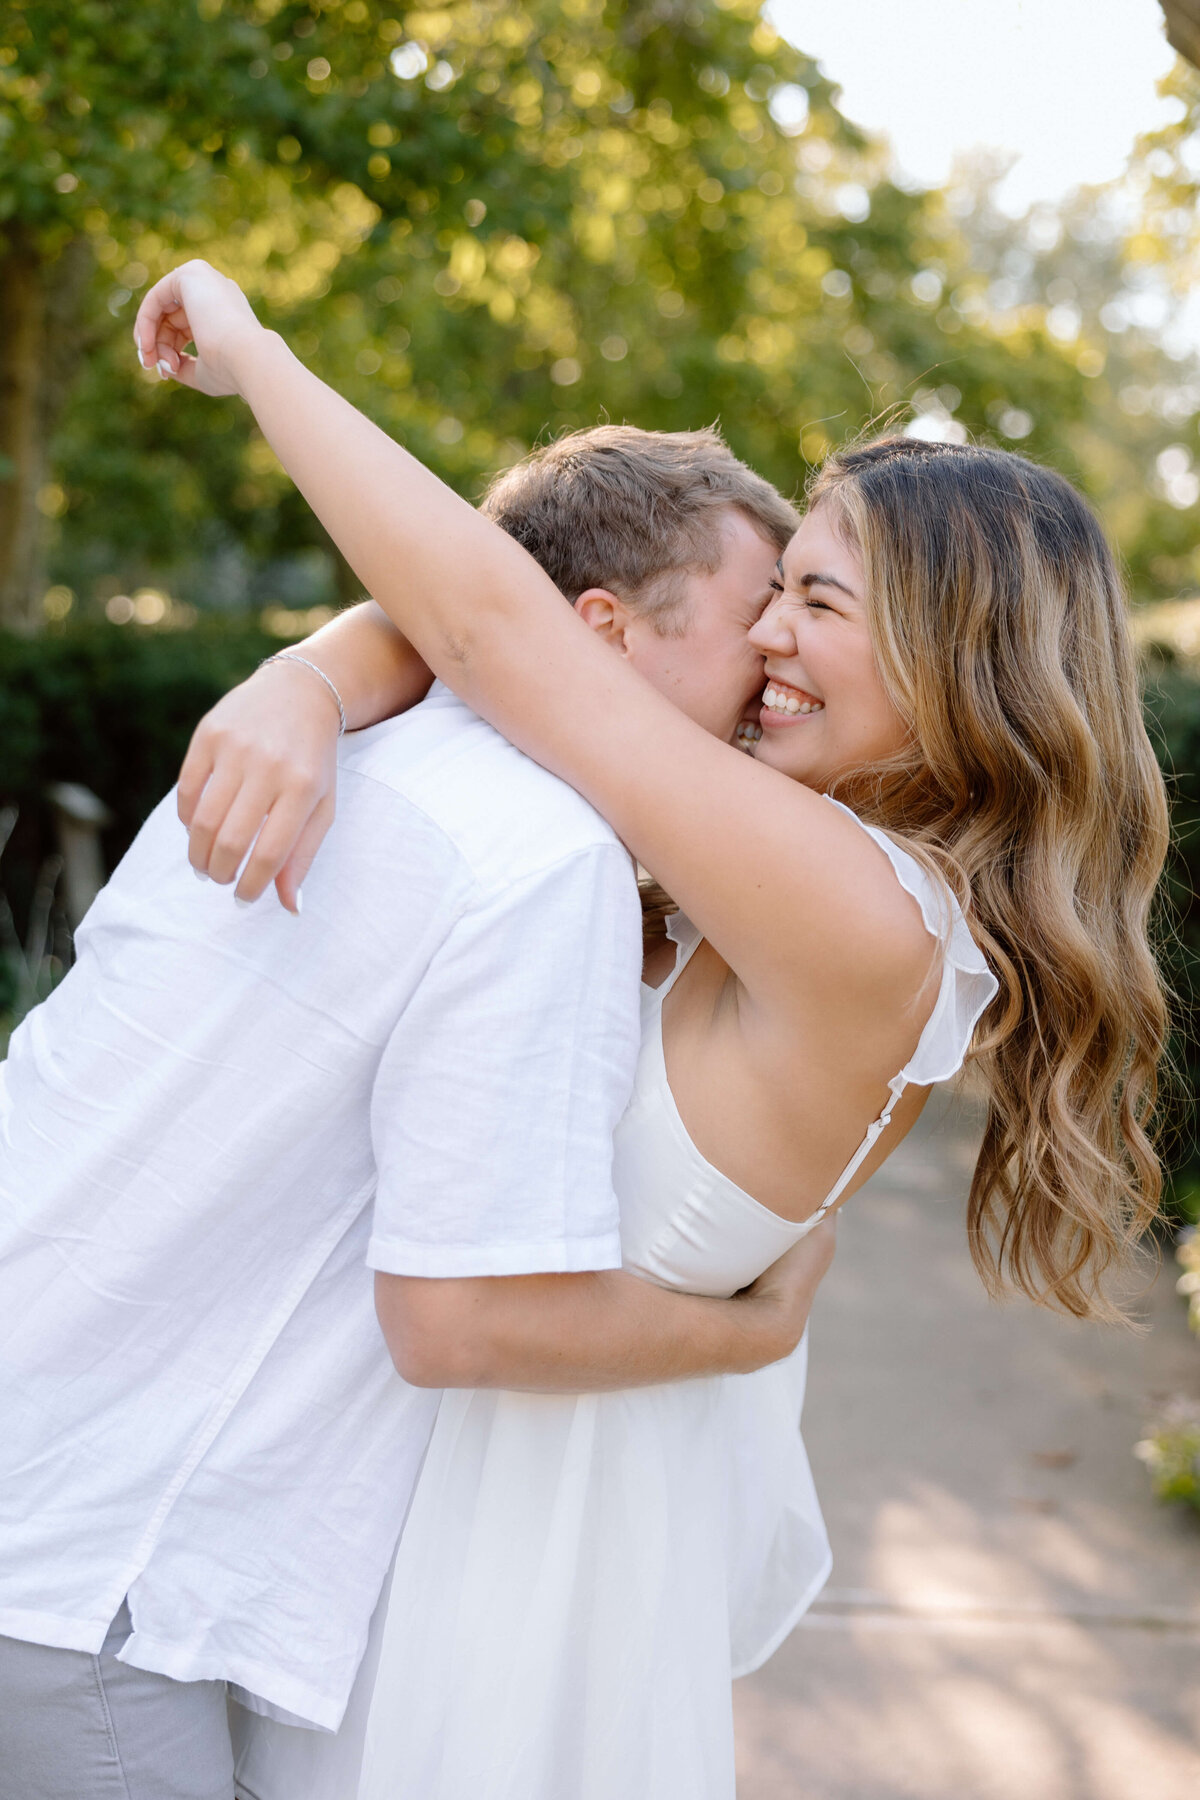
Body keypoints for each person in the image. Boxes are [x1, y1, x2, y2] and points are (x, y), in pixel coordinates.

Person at [136, 259, 1169, 1800]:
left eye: (816, 602)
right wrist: (314, 674)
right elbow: (544, 621)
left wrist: (255, 350)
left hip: (503, 1576)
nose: (763, 640)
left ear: (963, 664)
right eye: (771, 596)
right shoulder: (782, 873)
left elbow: (506, 630)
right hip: (448, 1504)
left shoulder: (867, 919)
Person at [0, 429, 835, 1797]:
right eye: (760, 620)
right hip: (92, 1575)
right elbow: (465, 1317)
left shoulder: (329, 744)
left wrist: (322, 666)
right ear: (602, 630)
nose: (778, 669)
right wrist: (754, 1331)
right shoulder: (541, 856)